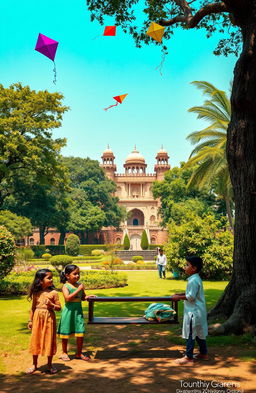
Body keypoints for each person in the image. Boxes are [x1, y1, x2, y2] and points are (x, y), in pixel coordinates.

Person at [172, 256, 208, 364]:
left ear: (194, 268)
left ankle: (188, 357)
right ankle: (203, 353)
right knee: (198, 333)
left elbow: (191, 297)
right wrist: (181, 294)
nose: (185, 267)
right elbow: (192, 294)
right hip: (198, 311)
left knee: (190, 334)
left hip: (194, 312)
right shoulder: (195, 278)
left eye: (187, 265)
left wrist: (178, 297)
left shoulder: (193, 280)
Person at [27, 268, 61, 374]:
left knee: (49, 340)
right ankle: (34, 364)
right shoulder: (36, 293)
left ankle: (50, 365)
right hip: (37, 318)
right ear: (40, 280)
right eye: (49, 278)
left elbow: (59, 308)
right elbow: (33, 308)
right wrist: (30, 320)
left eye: (52, 278)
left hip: (49, 318)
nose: (51, 280)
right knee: (35, 339)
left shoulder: (54, 293)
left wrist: (51, 305)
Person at [58, 264, 95, 361]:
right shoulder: (65, 286)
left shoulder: (80, 285)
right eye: (74, 274)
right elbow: (67, 298)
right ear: (67, 275)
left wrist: (88, 297)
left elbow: (82, 297)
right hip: (68, 312)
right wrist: (78, 289)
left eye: (78, 274)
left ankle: (79, 353)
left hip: (78, 312)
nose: (77, 276)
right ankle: (64, 352)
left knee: (80, 332)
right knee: (66, 332)